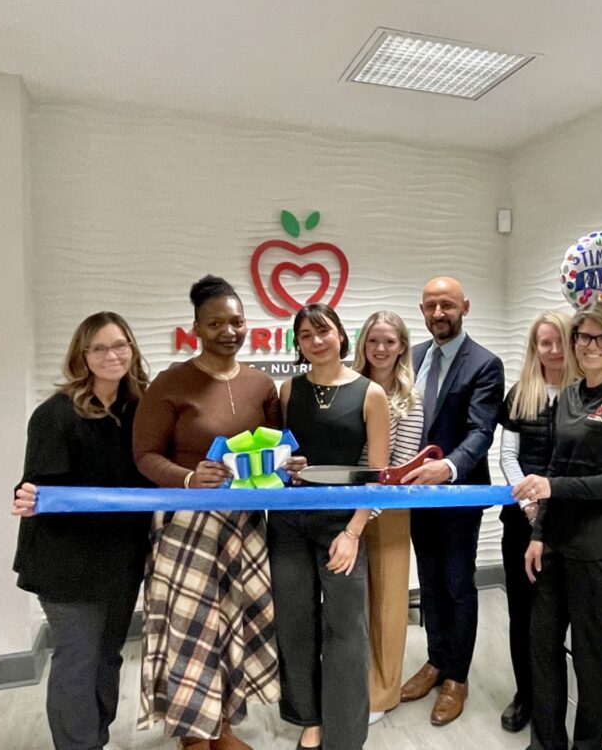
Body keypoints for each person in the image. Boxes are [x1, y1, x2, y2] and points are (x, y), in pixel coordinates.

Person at [133, 275, 287, 750]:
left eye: (237, 321)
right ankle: (192, 736)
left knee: (233, 629)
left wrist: (287, 463)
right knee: (191, 635)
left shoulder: (262, 384)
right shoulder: (170, 382)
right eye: (216, 322)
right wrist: (187, 479)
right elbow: (144, 455)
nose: (229, 330)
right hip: (187, 528)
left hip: (245, 528)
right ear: (196, 327)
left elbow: (272, 453)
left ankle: (222, 728)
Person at [514, 301, 602, 750]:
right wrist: (537, 535)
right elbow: (557, 463)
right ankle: (546, 743)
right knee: (543, 649)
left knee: (590, 658)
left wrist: (553, 488)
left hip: (597, 549)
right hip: (554, 544)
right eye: (583, 337)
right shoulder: (571, 395)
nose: (591, 346)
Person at [11, 312, 152, 750]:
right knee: (78, 659)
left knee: (107, 656)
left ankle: (96, 737)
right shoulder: (55, 415)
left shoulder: (140, 408)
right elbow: (39, 486)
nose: (112, 355)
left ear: (132, 349)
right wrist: (26, 495)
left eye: (120, 345)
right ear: (82, 356)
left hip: (121, 559)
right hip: (65, 563)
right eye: (100, 348)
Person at [269, 303, 390, 750]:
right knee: (295, 623)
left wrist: (354, 532)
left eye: (323, 331)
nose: (316, 341)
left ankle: (344, 735)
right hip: (288, 521)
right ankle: (309, 717)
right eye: (305, 335)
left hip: (341, 523)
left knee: (345, 627)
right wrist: (287, 466)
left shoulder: (369, 393)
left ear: (341, 335)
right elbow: (280, 462)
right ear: (298, 345)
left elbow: (377, 475)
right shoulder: (288, 390)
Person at [399, 276, 505, 726]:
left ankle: (457, 677)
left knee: (459, 584)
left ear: (465, 306)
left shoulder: (485, 363)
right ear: (422, 311)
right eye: (430, 306)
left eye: (446, 305)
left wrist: (450, 467)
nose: (438, 314)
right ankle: (436, 659)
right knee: (430, 581)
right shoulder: (415, 356)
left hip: (459, 494)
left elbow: (482, 430)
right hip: (418, 495)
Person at [497, 311, 576, 733]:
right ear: (535, 348)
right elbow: (508, 456)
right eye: (545, 343)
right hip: (521, 519)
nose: (554, 351)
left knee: (554, 618)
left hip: (565, 521)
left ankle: (554, 700)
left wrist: (547, 506)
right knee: (521, 615)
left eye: (560, 342)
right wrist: (528, 506)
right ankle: (524, 694)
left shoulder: (585, 396)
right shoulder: (520, 394)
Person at [353, 310, 425, 723]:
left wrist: (366, 514)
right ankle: (353, 681)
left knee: (388, 603)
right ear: (363, 343)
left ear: (402, 347)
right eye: (373, 340)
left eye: (390, 342)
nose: (380, 349)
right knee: (353, 603)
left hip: (389, 508)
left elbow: (398, 468)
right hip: (347, 507)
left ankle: (381, 694)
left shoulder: (410, 399)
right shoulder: (349, 387)